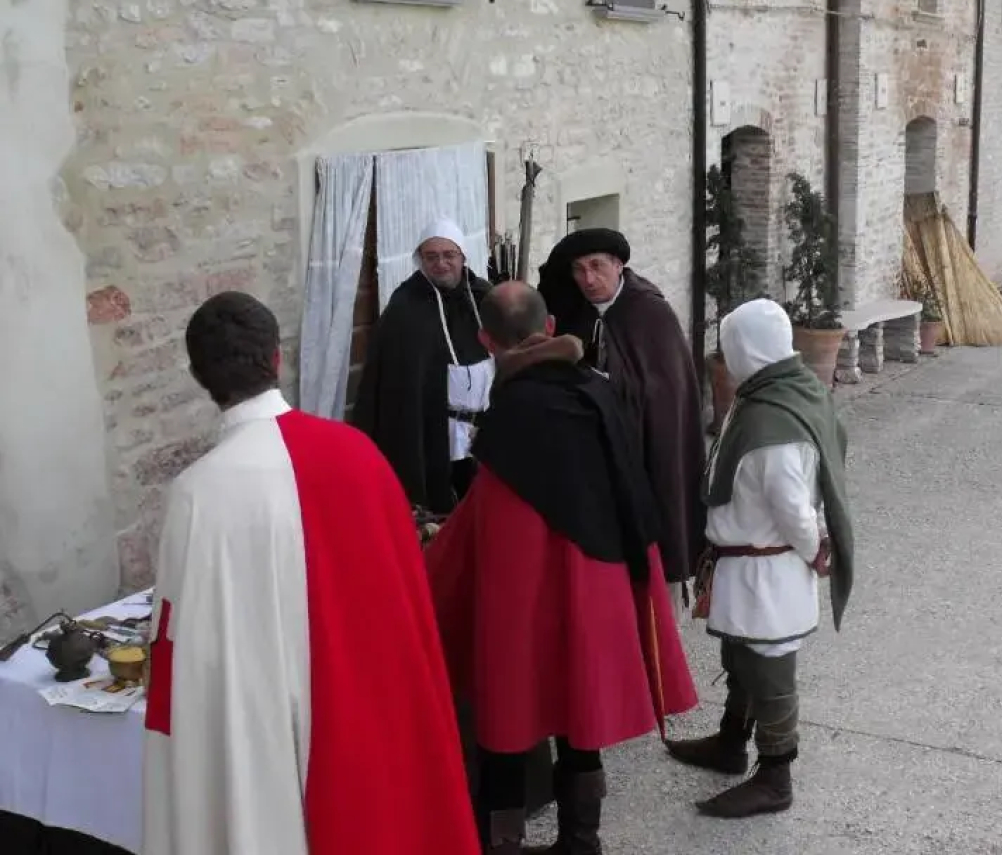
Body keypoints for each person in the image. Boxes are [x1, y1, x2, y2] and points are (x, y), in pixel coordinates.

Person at [142, 292, 477, 855]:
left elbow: (186, 651)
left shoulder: (198, 494)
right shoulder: (360, 454)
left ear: (201, 377)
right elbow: (405, 603)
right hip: (368, 720)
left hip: (261, 729)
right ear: (277, 360)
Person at [425, 281, 698, 855]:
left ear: (484, 341)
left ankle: (502, 844)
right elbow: (631, 490)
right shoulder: (596, 392)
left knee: (506, 715)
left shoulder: (509, 419)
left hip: (524, 594)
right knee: (581, 712)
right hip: (597, 581)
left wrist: (427, 559)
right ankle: (581, 840)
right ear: (549, 328)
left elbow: (495, 528)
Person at [665, 298, 855, 819]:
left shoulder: (774, 423)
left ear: (748, 348)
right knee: (742, 656)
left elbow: (792, 506)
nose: (726, 356)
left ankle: (775, 777)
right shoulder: (778, 391)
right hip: (748, 565)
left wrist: (815, 548)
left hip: (767, 568)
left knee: (771, 670)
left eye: (730, 346)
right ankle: (730, 743)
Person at [537, 228, 706, 614]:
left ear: (618, 265)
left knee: (651, 589)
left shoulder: (649, 313)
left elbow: (664, 400)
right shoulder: (574, 312)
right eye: (579, 270)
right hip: (596, 471)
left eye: (597, 267)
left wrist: (604, 388)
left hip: (643, 464)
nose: (588, 279)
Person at [352, 219, 494, 514]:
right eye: (432, 257)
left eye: (448, 255)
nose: (441, 264)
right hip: (434, 430)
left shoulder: (483, 297)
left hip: (487, 427)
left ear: (462, 257)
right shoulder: (406, 307)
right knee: (444, 508)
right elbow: (394, 379)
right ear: (421, 260)